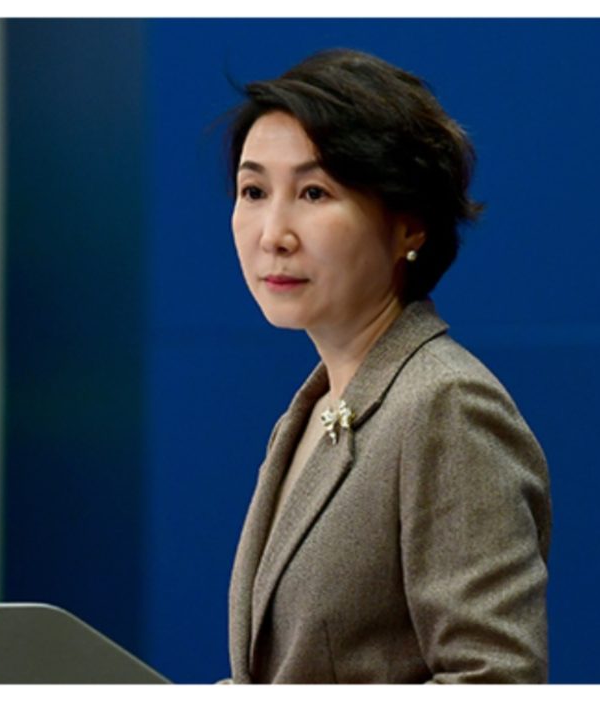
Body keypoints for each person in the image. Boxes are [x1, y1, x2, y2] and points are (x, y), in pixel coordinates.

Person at [224, 48, 552, 684]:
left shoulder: (445, 404)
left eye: (314, 192)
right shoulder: (311, 410)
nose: (273, 232)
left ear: (410, 225)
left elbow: (494, 681)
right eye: (254, 191)